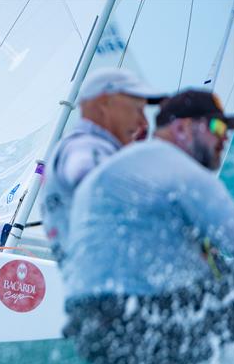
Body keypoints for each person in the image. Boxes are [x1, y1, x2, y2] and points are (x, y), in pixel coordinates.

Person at [63, 89, 234, 364]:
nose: (224, 138)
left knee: (216, 273)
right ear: (182, 128)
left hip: (91, 332)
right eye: (215, 126)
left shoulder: (119, 168)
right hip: (138, 326)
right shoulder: (178, 169)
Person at [42, 68, 165, 267]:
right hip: (108, 286)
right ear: (105, 104)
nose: (143, 121)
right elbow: (84, 170)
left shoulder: (76, 145)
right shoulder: (86, 146)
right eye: (138, 109)